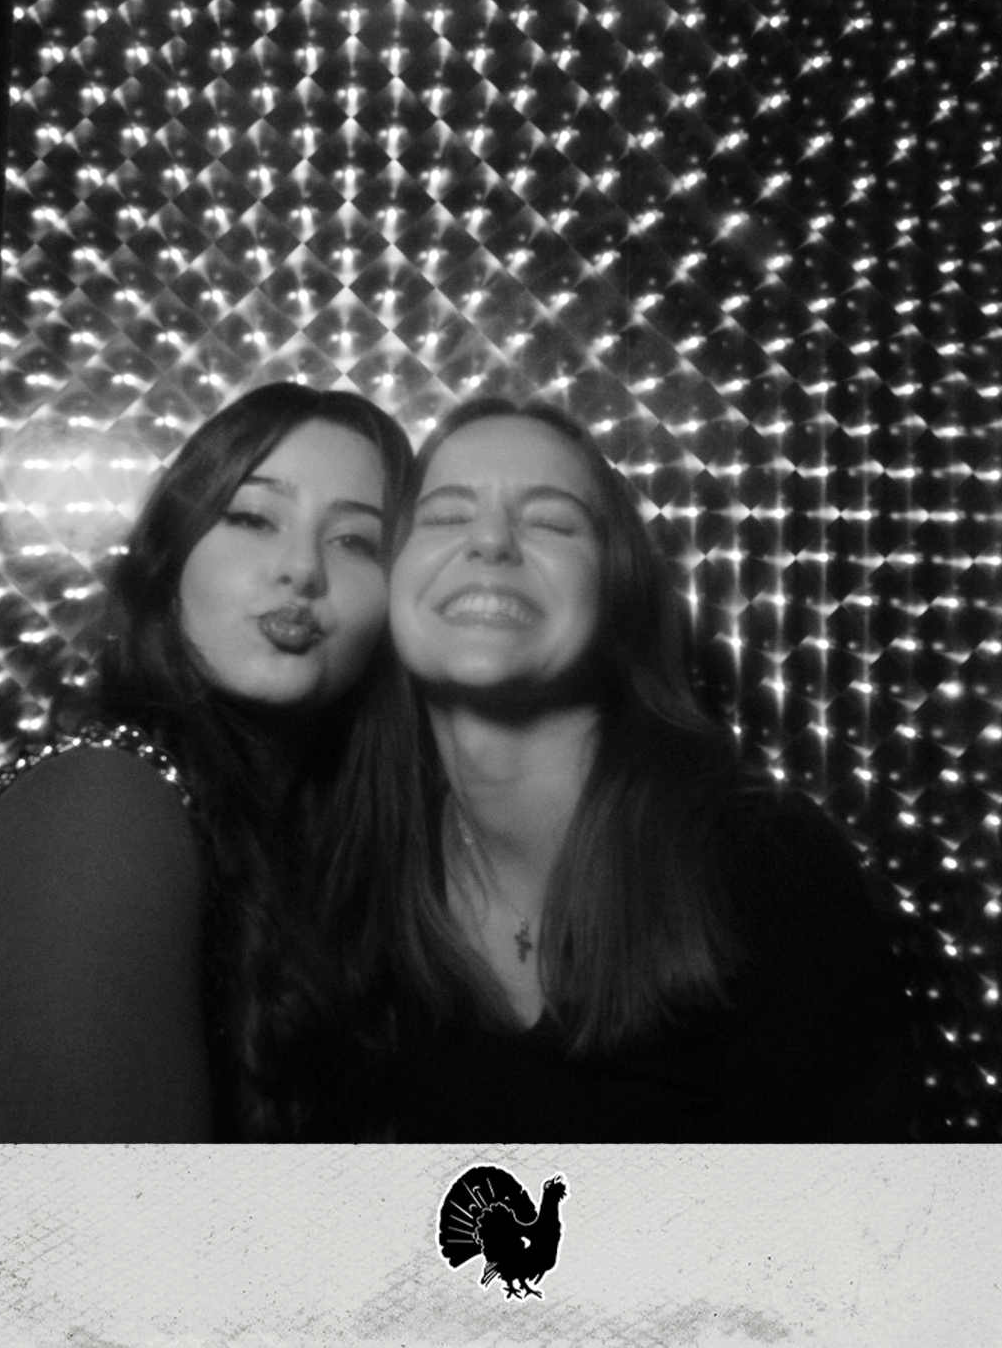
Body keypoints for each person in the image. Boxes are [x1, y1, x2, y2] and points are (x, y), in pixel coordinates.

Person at [382, 395, 917, 1142]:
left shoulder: (766, 863)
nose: (492, 541)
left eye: (551, 521)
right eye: (444, 516)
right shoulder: (370, 865)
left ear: (618, 587)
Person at [0, 382, 416, 1143]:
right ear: (171, 554)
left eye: (356, 541)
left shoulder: (341, 835)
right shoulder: (101, 806)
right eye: (252, 518)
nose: (301, 570)